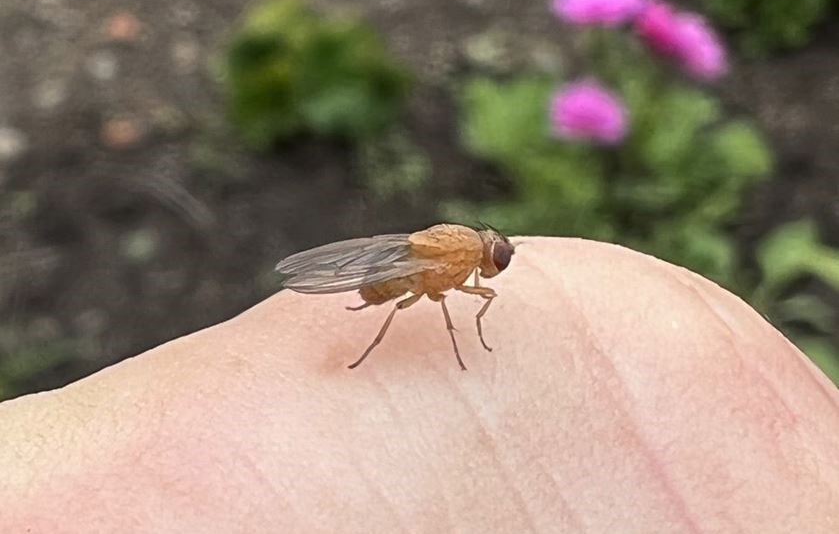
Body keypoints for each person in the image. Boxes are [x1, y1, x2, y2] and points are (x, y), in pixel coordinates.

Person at [2, 238, 838, 533]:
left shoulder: (461, 254)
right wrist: (441, 310)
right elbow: (422, 282)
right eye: (494, 259)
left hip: (390, 263)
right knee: (418, 312)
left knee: (428, 307)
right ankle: (367, 347)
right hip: (386, 278)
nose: (495, 268)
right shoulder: (456, 264)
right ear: (481, 253)